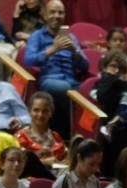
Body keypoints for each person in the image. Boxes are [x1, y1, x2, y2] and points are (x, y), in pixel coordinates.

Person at [23, 0, 89, 138]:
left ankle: (84, 134)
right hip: (49, 79)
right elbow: (28, 61)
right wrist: (53, 49)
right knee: (67, 90)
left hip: (72, 81)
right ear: (45, 15)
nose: (57, 16)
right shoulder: (37, 36)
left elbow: (85, 66)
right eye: (52, 12)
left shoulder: (71, 37)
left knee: (90, 92)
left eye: (60, 12)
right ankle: (74, 133)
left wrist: (75, 52)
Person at [15, 91, 66, 168]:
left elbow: (66, 159)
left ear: (51, 112)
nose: (40, 115)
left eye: (45, 111)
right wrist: (44, 162)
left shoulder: (55, 136)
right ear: (29, 111)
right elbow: (18, 163)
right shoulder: (21, 136)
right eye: (36, 110)